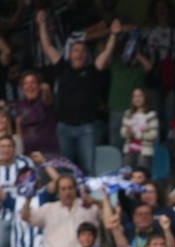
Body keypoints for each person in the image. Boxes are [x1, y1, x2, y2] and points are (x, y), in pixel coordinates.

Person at [37, 11, 121, 175]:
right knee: (65, 169)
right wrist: (41, 24)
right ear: (70, 53)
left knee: (88, 169)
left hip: (86, 127)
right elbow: (47, 47)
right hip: (64, 127)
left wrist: (113, 35)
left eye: (83, 51)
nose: (79, 54)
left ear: (87, 55)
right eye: (76, 51)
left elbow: (106, 54)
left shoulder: (92, 70)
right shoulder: (63, 67)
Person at [120, 88, 159, 170]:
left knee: (141, 176)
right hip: (129, 149)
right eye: (134, 96)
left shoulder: (151, 114)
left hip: (144, 151)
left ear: (145, 97)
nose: (137, 99)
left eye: (140, 96)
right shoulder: (128, 113)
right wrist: (127, 132)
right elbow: (122, 132)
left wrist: (136, 134)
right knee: (126, 175)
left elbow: (153, 134)